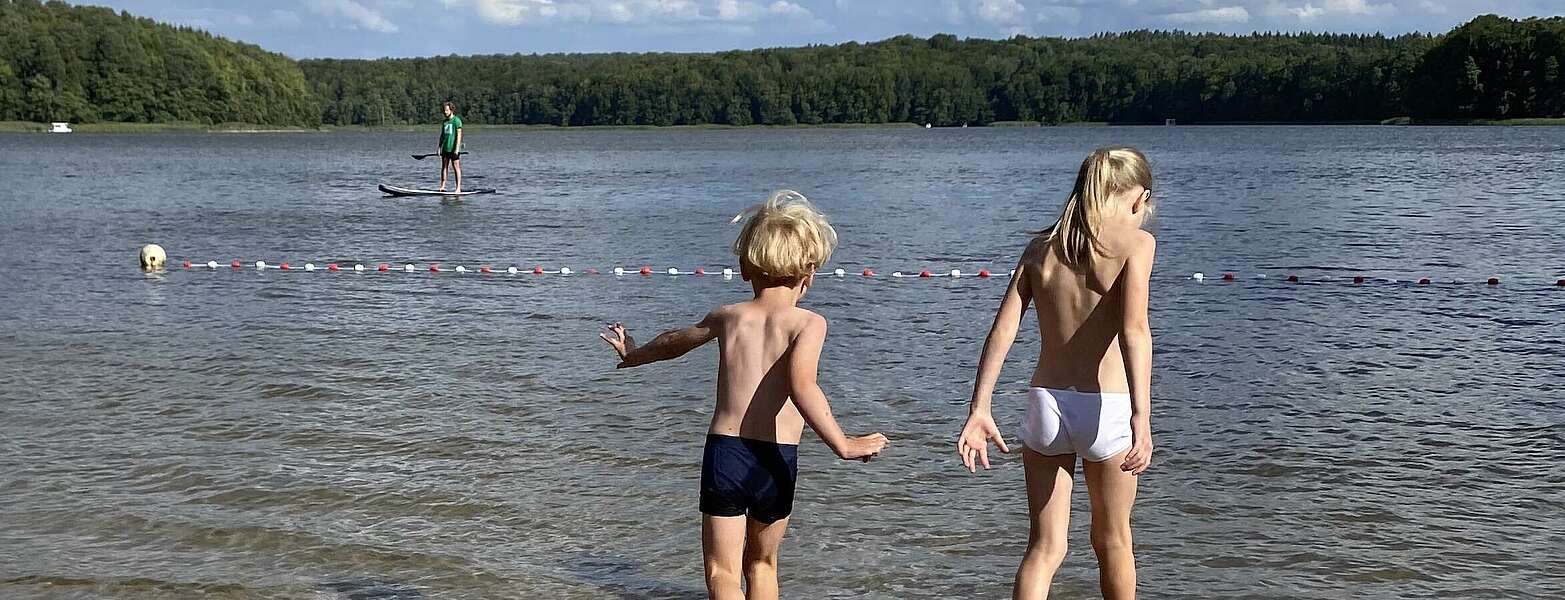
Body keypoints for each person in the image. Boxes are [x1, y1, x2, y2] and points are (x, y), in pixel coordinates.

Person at [600, 190, 889, 600]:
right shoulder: (808, 323)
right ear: (809, 274)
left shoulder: (728, 316)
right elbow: (802, 385)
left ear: (744, 267)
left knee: (722, 573)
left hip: (727, 454)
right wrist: (842, 443)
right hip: (778, 458)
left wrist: (633, 354)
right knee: (763, 564)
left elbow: (673, 341)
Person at [956, 147, 1158, 600]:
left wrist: (979, 407)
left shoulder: (1041, 248)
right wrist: (1142, 418)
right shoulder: (1136, 244)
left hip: (1046, 404)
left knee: (1044, 548)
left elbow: (1004, 328)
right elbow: (1134, 330)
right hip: (1107, 406)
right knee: (1113, 542)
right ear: (1137, 197)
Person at [438, 101, 463, 193]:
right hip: (445, 148)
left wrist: (457, 148)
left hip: (454, 148)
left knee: (456, 167)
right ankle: (442, 186)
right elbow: (442, 135)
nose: (445, 112)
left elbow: (459, 135)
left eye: (447, 110)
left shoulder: (456, 121)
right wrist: (439, 147)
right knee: (444, 166)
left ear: (451, 110)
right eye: (444, 110)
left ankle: (458, 188)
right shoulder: (444, 122)